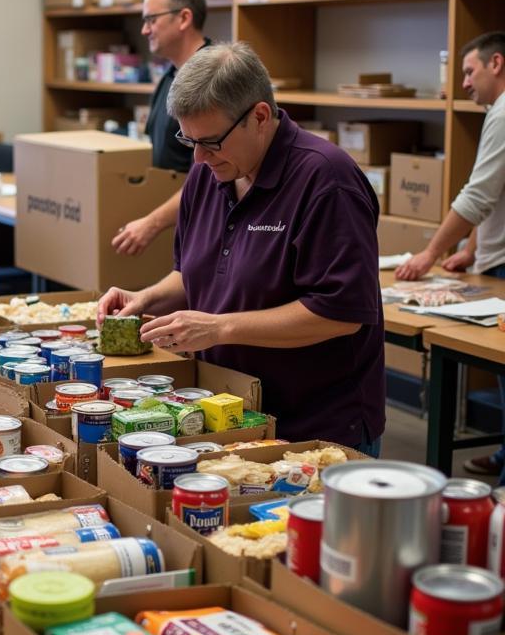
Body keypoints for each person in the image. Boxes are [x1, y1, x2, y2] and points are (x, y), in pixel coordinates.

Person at [98, 42, 385, 454]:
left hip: (316, 427)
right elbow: (195, 272)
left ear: (260, 117)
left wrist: (219, 327)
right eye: (188, 140)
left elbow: (340, 314)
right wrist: (146, 299)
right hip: (230, 411)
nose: (197, 157)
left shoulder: (327, 182)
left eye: (211, 142)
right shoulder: (209, 173)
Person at [394, 31, 505, 480]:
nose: (463, 83)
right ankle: (502, 456)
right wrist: (471, 248)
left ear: (496, 63)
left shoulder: (503, 112)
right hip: (491, 255)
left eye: (468, 70)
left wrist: (430, 253)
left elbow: (478, 194)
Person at [112, 0, 211, 257]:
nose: (144, 30)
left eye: (151, 19)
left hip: (204, 230)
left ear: (184, 18)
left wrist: (153, 223)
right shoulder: (171, 75)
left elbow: (211, 177)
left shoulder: (211, 80)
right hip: (176, 225)